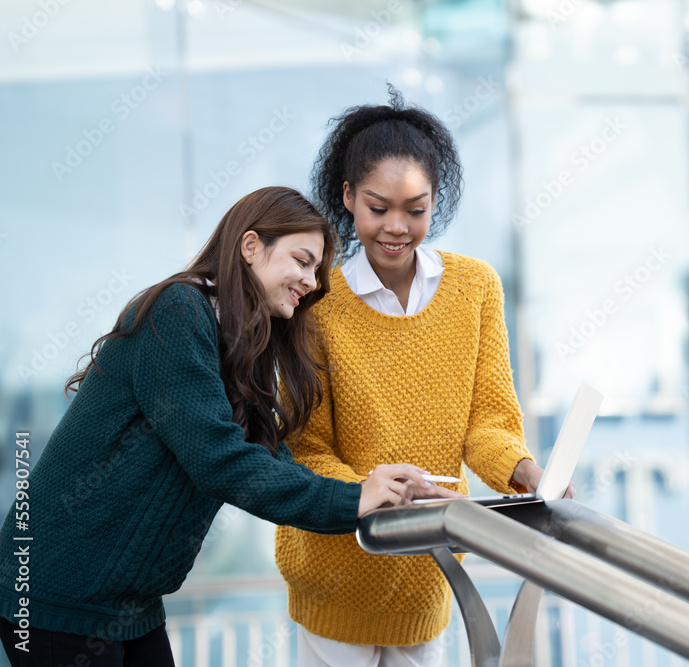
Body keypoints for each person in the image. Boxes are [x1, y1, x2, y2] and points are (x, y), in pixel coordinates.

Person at [0, 186, 459, 667]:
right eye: (302, 261)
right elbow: (219, 460)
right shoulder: (178, 311)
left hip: (127, 604)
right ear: (250, 246)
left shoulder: (240, 347)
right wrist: (353, 500)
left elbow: (269, 458)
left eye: (317, 271)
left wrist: (376, 493)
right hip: (58, 595)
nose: (310, 281)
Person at [274, 86, 570, 666]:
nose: (397, 228)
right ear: (348, 198)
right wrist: (373, 493)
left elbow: (488, 423)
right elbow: (304, 448)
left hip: (429, 567)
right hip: (335, 572)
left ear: (436, 201)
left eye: (417, 209)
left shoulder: (475, 287)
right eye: (378, 207)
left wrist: (523, 469)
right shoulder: (317, 298)